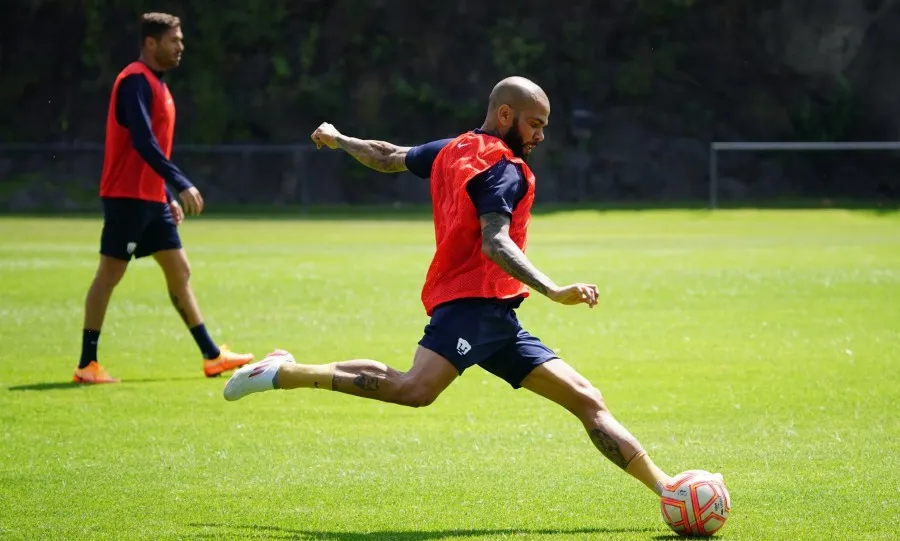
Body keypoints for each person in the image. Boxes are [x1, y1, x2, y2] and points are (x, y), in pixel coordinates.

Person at [224, 76, 675, 495]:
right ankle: (282, 372)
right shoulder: (502, 168)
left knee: (586, 399)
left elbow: (386, 156)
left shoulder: (453, 148)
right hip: (468, 306)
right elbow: (495, 242)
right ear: (505, 115)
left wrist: (339, 139)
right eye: (534, 124)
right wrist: (554, 289)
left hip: (497, 315)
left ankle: (668, 489)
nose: (540, 135)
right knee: (414, 389)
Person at [73, 12, 252, 383]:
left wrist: (164, 193)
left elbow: (149, 148)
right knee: (110, 274)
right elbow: (142, 141)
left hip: (151, 198)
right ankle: (86, 365)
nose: (181, 46)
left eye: (181, 40)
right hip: (127, 196)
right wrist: (179, 182)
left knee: (179, 270)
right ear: (151, 43)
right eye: (174, 40)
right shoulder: (134, 81)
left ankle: (212, 355)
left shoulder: (157, 85)